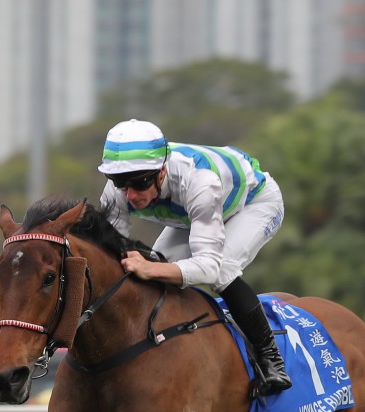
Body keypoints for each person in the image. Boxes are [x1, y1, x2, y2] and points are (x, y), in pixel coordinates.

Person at [97, 118, 291, 396]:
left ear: (161, 172)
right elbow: (113, 252)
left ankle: (271, 359)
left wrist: (150, 269)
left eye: (139, 183)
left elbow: (208, 267)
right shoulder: (118, 192)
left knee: (222, 270)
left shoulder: (199, 181)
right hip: (196, 214)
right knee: (159, 264)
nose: (130, 195)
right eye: (119, 183)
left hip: (254, 203)